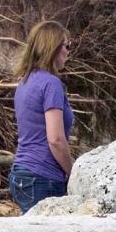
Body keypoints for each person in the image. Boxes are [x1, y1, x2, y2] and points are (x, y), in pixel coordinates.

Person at [10, 20, 74, 212]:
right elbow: (55, 140)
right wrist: (73, 172)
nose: (68, 52)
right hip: (43, 178)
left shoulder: (25, 82)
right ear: (53, 47)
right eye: (66, 45)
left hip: (20, 174)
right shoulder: (51, 84)